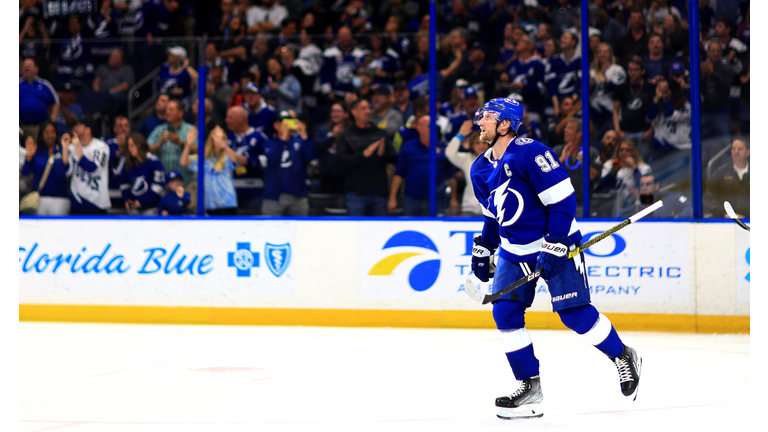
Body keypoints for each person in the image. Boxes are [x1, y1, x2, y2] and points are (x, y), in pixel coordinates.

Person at [467, 97, 641, 420]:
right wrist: (485, 247)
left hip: (555, 240)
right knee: (505, 314)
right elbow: (493, 216)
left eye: (487, 117)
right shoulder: (479, 168)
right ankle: (529, 386)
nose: (481, 122)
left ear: (505, 125)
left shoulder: (530, 153)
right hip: (514, 251)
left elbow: (563, 200)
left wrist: (557, 241)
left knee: (574, 314)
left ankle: (622, 355)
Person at [336, 98, 397, 216]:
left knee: (379, 227)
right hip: (356, 194)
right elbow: (341, 161)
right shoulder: (346, 135)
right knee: (356, 227)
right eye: (363, 108)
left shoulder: (380, 133)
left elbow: (394, 158)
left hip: (379, 193)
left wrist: (383, 154)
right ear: (354, 112)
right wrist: (363, 155)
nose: (368, 111)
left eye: (369, 108)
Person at [388, 115, 457, 216]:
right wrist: (392, 197)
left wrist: (454, 198)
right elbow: (399, 173)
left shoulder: (443, 147)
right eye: (428, 126)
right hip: (412, 199)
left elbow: (451, 174)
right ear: (419, 128)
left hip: (437, 199)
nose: (432, 129)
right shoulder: (408, 147)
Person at [260, 111, 318, 216]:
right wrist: (283, 139)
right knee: (271, 226)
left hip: (298, 196)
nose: (287, 126)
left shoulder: (300, 142)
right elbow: (270, 159)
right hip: (273, 197)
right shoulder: (269, 142)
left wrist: (304, 136)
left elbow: (312, 159)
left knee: (300, 225)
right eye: (283, 123)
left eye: (289, 123)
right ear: (276, 125)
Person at [180, 126, 239, 216]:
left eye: (223, 138)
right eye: (217, 137)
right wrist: (188, 145)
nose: (220, 140)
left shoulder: (227, 156)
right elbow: (183, 162)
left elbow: (235, 159)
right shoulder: (204, 158)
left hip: (227, 202)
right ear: (212, 140)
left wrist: (224, 146)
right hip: (210, 203)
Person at [552, 119, 602, 217]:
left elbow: (595, 178)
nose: (565, 130)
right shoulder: (558, 151)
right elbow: (548, 175)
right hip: (560, 203)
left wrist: (584, 163)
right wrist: (562, 158)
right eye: (566, 128)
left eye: (570, 128)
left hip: (583, 205)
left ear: (579, 134)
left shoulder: (591, 152)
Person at [224, 105, 270, 214]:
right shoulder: (227, 138)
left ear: (240, 119)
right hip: (231, 193)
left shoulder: (259, 137)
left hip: (253, 193)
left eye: (230, 117)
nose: (226, 120)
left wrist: (248, 161)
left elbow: (268, 160)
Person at [21, 121, 71, 215]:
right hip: (40, 199)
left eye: (52, 132)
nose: (50, 135)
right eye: (47, 133)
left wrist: (65, 150)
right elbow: (25, 172)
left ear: (56, 134)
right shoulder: (36, 152)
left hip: (60, 199)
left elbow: (66, 172)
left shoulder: (62, 150)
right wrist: (29, 157)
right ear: (41, 135)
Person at [595, 139, 652, 218]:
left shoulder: (643, 168)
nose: (624, 153)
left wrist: (634, 167)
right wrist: (613, 173)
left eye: (627, 150)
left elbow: (644, 185)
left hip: (636, 205)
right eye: (621, 150)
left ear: (633, 152)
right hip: (612, 205)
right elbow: (600, 187)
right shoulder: (610, 165)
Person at [612, 56, 655, 161]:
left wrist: (651, 129)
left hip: (644, 132)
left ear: (642, 71)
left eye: (636, 70)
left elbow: (656, 109)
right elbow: (615, 110)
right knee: (627, 162)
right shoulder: (622, 88)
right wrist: (618, 130)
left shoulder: (650, 87)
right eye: (630, 70)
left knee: (644, 162)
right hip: (626, 133)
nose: (633, 73)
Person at [67, 117, 111, 215]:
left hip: (97, 204)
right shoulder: (72, 147)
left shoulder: (101, 147)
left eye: (79, 125)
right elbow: (66, 171)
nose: (75, 128)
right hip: (77, 203)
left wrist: (78, 150)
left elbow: (93, 170)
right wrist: (65, 148)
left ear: (88, 129)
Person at [147, 98, 196, 186]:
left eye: (171, 110)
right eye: (166, 110)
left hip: (187, 183)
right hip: (165, 184)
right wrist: (159, 144)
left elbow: (199, 150)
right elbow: (146, 149)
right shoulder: (159, 130)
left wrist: (180, 143)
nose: (167, 112)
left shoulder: (191, 130)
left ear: (180, 113)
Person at [445, 120, 488, 216]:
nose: (481, 146)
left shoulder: (497, 159)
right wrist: (460, 135)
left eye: (484, 143)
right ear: (472, 145)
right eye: (477, 143)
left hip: (490, 210)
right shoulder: (466, 159)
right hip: (469, 208)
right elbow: (449, 153)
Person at [120, 133, 166, 215]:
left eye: (132, 145)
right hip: (134, 209)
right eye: (128, 146)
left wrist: (142, 201)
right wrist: (127, 199)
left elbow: (158, 187)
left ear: (139, 145)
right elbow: (124, 183)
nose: (129, 149)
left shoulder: (154, 162)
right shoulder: (129, 163)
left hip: (151, 208)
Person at [706, 139, 749, 218]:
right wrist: (724, 214)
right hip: (727, 221)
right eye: (733, 149)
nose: (736, 152)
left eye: (740, 149)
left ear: (748, 152)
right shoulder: (721, 173)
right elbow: (709, 198)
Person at [19, 58, 59, 140]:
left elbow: (56, 102)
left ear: (36, 69)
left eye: (29, 65)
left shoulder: (45, 85)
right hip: (19, 126)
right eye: (24, 66)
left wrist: (52, 121)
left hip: (38, 127)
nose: (26, 67)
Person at [92, 48, 135, 118]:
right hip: (103, 93)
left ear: (121, 61)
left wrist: (111, 91)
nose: (111, 58)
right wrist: (97, 91)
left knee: (115, 96)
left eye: (115, 56)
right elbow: (96, 80)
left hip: (119, 94)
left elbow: (126, 85)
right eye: (111, 56)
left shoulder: (127, 69)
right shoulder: (102, 67)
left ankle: (109, 117)